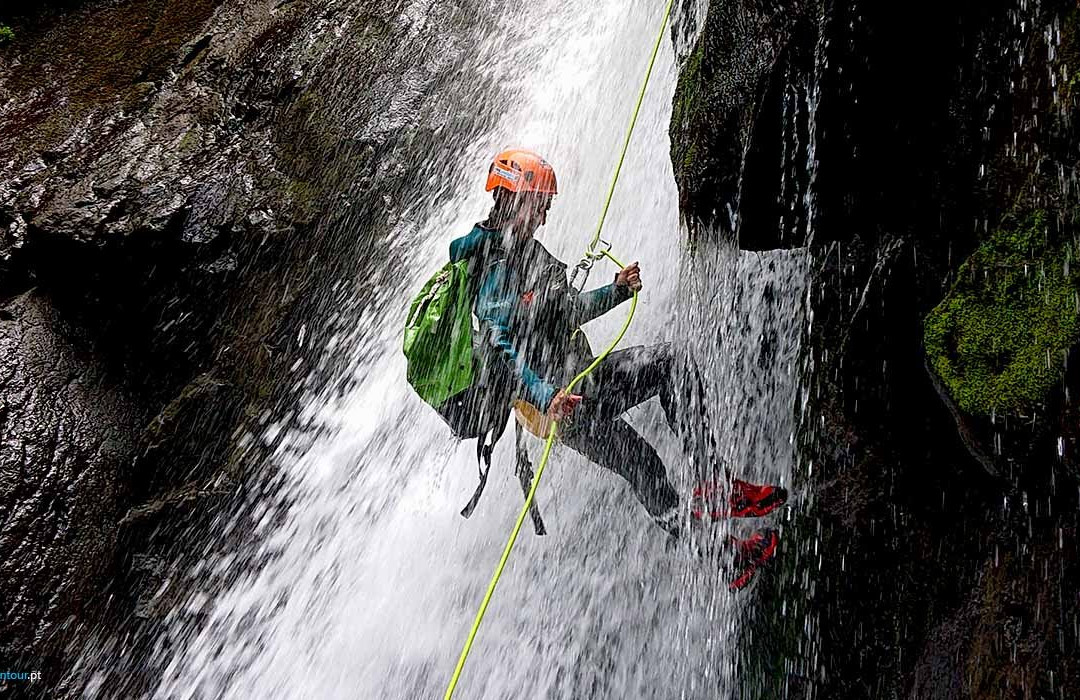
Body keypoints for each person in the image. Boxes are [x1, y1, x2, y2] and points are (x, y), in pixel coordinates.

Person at [449, 148, 786, 588]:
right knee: (669, 368)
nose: (545, 217)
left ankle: (728, 557)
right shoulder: (494, 264)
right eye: (541, 205)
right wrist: (544, 395)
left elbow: (564, 311)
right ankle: (716, 488)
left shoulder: (524, 253)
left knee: (646, 464)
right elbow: (499, 343)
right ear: (514, 197)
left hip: (571, 396)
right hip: (565, 397)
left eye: (547, 208)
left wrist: (616, 291)